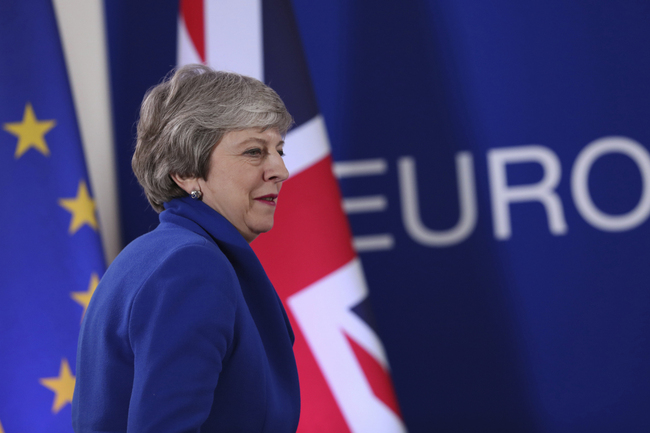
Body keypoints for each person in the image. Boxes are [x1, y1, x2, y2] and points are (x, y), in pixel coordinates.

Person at [72, 64, 300, 432]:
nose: (280, 170)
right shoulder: (191, 267)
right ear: (186, 172)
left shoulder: (152, 255)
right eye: (255, 152)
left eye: (279, 150)